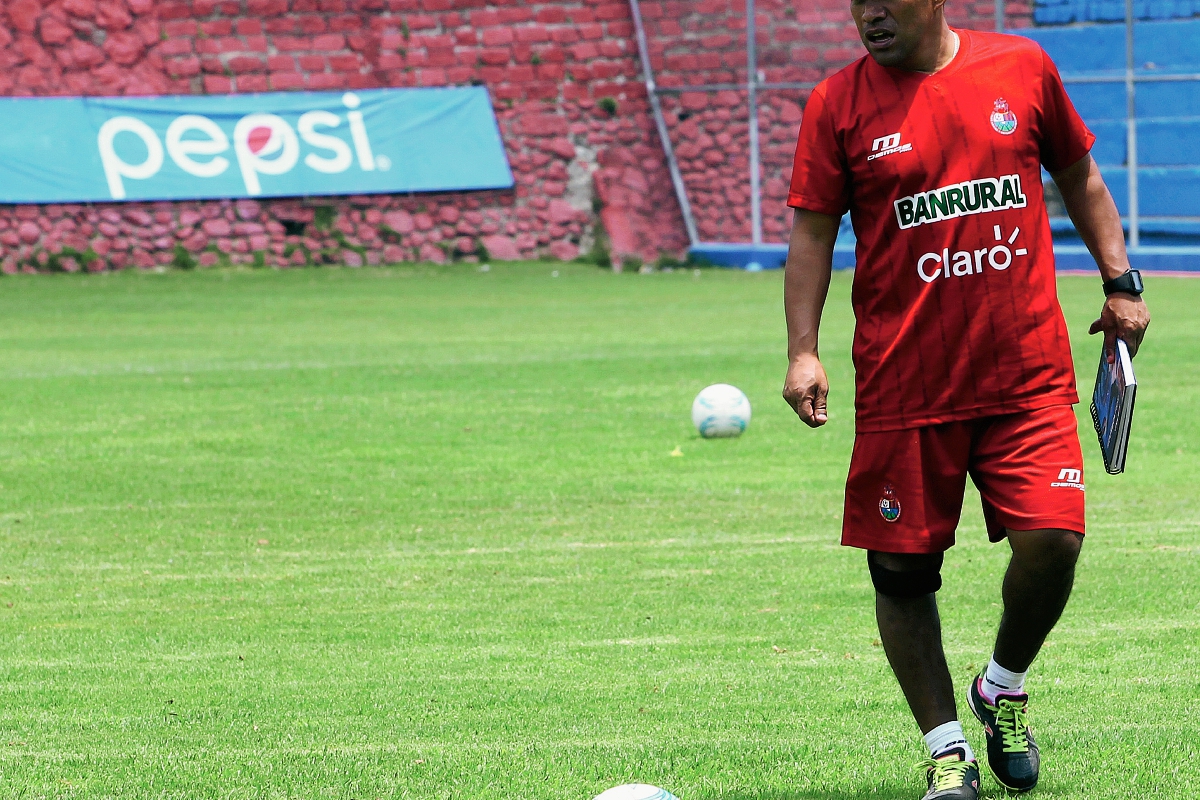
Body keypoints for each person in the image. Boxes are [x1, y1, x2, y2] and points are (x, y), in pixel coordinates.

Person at [780, 1, 1150, 798]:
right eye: (857, 0)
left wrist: (1121, 281)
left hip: (1025, 373)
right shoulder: (836, 104)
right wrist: (803, 350)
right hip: (904, 384)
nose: (869, 14)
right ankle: (948, 749)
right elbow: (812, 230)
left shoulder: (1021, 68)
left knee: (1054, 540)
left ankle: (1003, 685)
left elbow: (1078, 172)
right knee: (902, 573)